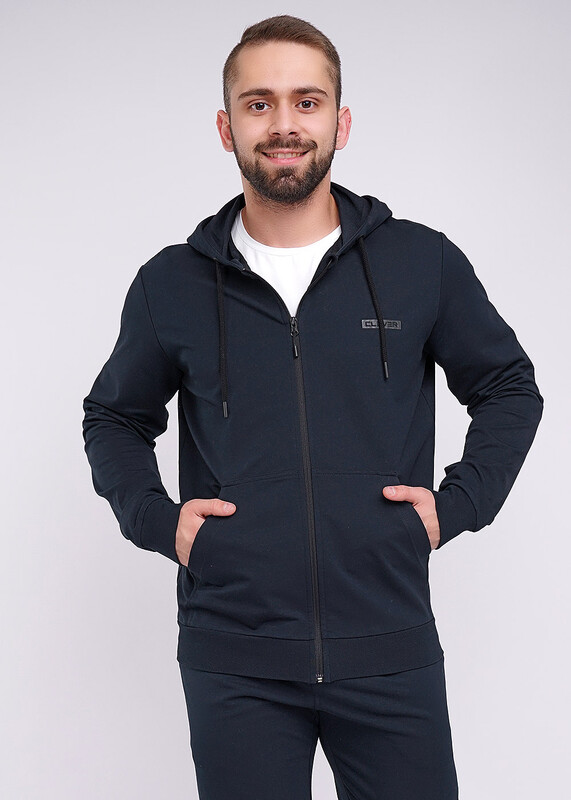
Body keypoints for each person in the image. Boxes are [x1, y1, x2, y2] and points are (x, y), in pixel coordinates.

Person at [82, 14, 543, 800]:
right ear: (226, 128)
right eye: (258, 104)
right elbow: (114, 418)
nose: (284, 124)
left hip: (389, 646)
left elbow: (506, 386)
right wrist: (161, 523)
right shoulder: (172, 283)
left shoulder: (419, 261)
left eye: (306, 101)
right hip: (235, 660)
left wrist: (457, 505)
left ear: (340, 122)